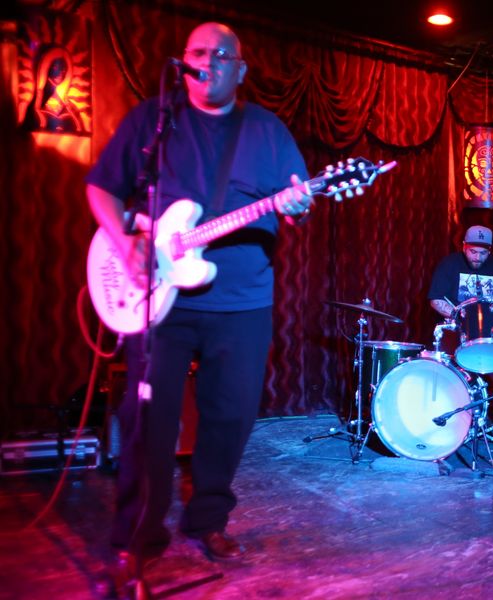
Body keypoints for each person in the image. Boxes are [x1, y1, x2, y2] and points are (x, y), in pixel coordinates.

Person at [85, 22, 313, 589]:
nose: (209, 60)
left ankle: (208, 519)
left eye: (222, 54)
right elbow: (101, 188)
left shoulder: (267, 130)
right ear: (184, 61)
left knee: (231, 417)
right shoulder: (153, 120)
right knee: (147, 420)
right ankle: (138, 536)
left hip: (242, 300)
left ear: (241, 68)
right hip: (159, 298)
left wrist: (298, 203)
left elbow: (297, 203)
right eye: (199, 52)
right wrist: (124, 244)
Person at [427, 226, 493, 425]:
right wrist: (460, 316)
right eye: (473, 251)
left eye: (483, 253)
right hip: (459, 332)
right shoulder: (449, 264)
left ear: (489, 251)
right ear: (464, 246)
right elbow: (436, 300)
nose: (477, 257)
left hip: (490, 332)